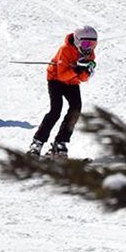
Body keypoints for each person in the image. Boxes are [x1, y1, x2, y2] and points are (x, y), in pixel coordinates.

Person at [28, 26, 98, 160]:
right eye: (86, 43)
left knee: (75, 110)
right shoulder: (65, 50)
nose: (89, 47)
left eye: (93, 44)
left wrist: (86, 72)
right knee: (55, 111)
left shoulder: (90, 54)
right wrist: (77, 70)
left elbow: (82, 79)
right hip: (56, 81)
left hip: (72, 83)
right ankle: (37, 143)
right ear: (77, 41)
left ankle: (60, 142)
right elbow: (62, 76)